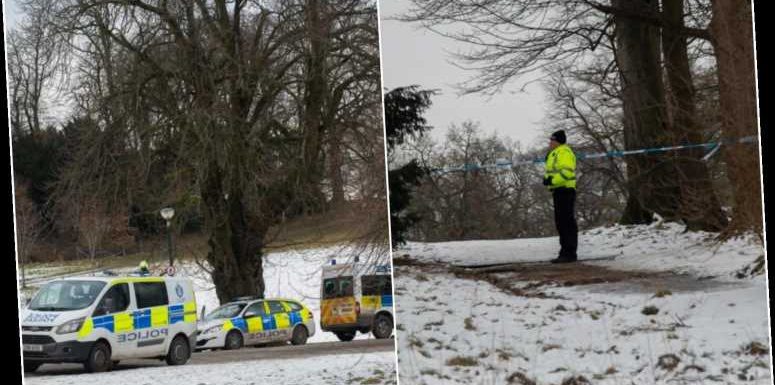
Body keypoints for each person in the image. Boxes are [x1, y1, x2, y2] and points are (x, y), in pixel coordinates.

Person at [543, 130, 578, 263]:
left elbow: (566, 172)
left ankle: (569, 253)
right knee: (561, 222)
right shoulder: (555, 153)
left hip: (565, 190)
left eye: (552, 140)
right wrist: (547, 179)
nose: (550, 143)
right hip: (558, 190)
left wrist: (552, 181)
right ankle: (564, 252)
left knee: (566, 222)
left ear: (557, 141)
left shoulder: (564, 152)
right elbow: (552, 171)